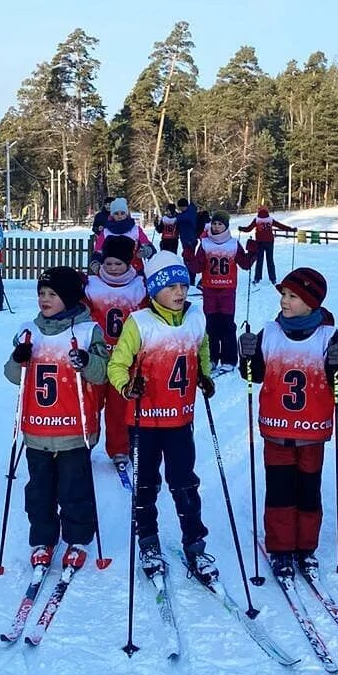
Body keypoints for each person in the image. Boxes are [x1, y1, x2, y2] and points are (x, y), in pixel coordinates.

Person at [107, 250, 219, 584]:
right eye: (171, 287)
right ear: (155, 290)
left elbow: (202, 349)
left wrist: (204, 375)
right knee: (145, 483)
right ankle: (148, 540)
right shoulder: (139, 322)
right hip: (144, 421)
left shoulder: (196, 317)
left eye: (183, 285)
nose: (180, 292)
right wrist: (128, 386)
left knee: (185, 483)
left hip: (180, 420)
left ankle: (195, 544)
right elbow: (116, 364)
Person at [238, 267, 338, 578]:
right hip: (276, 430)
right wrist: (247, 355)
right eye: (284, 295)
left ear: (311, 303)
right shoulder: (270, 332)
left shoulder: (328, 335)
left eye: (293, 296)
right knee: (279, 492)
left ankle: (306, 547)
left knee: (308, 492)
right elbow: (253, 375)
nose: (284, 301)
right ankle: (281, 548)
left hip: (312, 432)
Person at [4, 266, 110, 569]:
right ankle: (43, 538)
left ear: (70, 297)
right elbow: (12, 376)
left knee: (74, 489)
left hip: (74, 430)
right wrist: (19, 359)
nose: (45, 299)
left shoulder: (88, 331)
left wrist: (86, 361)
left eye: (53, 294)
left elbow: (102, 374)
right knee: (39, 491)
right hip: (37, 429)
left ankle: (77, 537)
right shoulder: (28, 331)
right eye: (42, 293)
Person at [83, 235, 147, 472]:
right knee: (91, 403)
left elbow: (147, 317)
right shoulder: (92, 285)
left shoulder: (139, 286)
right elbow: (80, 310)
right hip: (98, 357)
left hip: (125, 359)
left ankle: (119, 448)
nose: (112, 268)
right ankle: (85, 442)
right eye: (108, 263)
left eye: (118, 263)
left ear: (128, 262)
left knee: (119, 406)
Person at [183, 209, 256, 374]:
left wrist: (252, 253)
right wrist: (189, 255)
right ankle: (212, 357)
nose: (216, 227)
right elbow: (197, 267)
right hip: (210, 290)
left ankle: (229, 359)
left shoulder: (233, 244)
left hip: (227, 290)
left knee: (227, 325)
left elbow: (245, 264)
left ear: (226, 226)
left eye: (220, 224)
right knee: (211, 325)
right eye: (214, 223)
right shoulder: (205, 244)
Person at [90, 198, 155, 272]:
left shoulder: (136, 230)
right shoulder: (106, 232)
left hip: (135, 271)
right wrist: (95, 263)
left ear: (126, 214)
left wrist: (146, 251)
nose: (119, 216)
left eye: (122, 213)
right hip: (112, 272)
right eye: (116, 213)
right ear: (112, 215)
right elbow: (98, 251)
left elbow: (150, 247)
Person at [239, 205, 295, 285]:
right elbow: (281, 226)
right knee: (270, 260)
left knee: (259, 261)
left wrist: (241, 228)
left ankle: (257, 278)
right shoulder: (270, 219)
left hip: (259, 243)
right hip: (269, 242)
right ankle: (273, 279)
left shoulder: (257, 220)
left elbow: (248, 229)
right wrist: (291, 229)